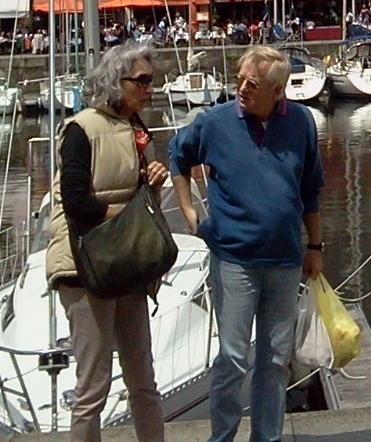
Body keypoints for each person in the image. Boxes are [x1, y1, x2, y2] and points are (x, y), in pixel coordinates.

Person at [169, 46, 324, 442]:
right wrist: (190, 213)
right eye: (238, 80)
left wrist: (316, 247)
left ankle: (266, 438)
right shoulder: (216, 123)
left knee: (274, 361)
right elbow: (178, 156)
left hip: (286, 260)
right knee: (233, 359)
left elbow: (311, 188)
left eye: (251, 84)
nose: (241, 89)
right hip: (234, 259)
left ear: (278, 90)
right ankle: (222, 437)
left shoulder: (302, 122)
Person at [45, 41, 169, 442]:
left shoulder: (137, 129)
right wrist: (132, 217)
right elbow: (76, 202)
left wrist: (152, 179)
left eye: (152, 81)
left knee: (144, 383)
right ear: (118, 82)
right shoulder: (81, 129)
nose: (150, 88)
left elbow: (138, 191)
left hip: (127, 267)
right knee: (92, 388)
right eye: (143, 81)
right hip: (86, 268)